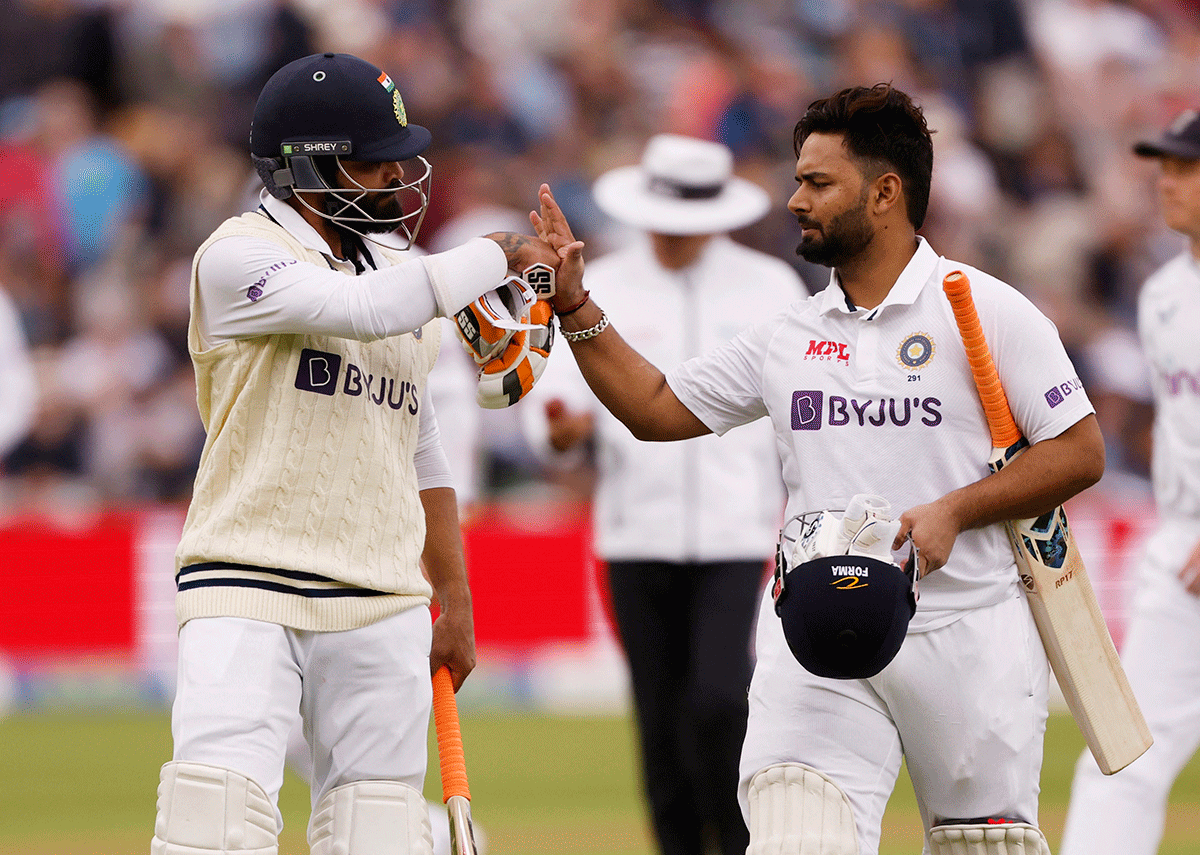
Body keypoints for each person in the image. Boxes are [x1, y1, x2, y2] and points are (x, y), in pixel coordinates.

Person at [530, 83, 1105, 853]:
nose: (795, 198)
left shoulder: (987, 310)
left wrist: (955, 510)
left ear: (885, 193)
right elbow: (657, 408)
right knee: (793, 830)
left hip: (966, 635)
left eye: (818, 182)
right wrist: (575, 309)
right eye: (799, 178)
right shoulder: (789, 332)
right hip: (816, 637)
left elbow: (1080, 449)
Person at [151, 52, 562, 855]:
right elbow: (361, 310)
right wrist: (501, 250)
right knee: (214, 825)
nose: (397, 175)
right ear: (308, 164)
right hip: (247, 580)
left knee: (379, 835)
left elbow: (429, 435)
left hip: (383, 597)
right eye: (375, 160)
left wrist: (455, 594)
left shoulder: (407, 272)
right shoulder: (238, 257)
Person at [520, 133, 807, 855]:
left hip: (737, 530)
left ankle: (736, 836)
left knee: (718, 696)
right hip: (633, 532)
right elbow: (548, 405)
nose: (676, 239)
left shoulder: (769, 286)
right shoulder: (600, 283)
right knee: (657, 715)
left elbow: (805, 401)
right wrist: (560, 431)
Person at [1060, 109, 1200, 855]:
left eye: (1185, 166)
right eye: (1164, 165)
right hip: (1183, 555)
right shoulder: (1165, 293)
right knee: (1122, 753)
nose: (1166, 181)